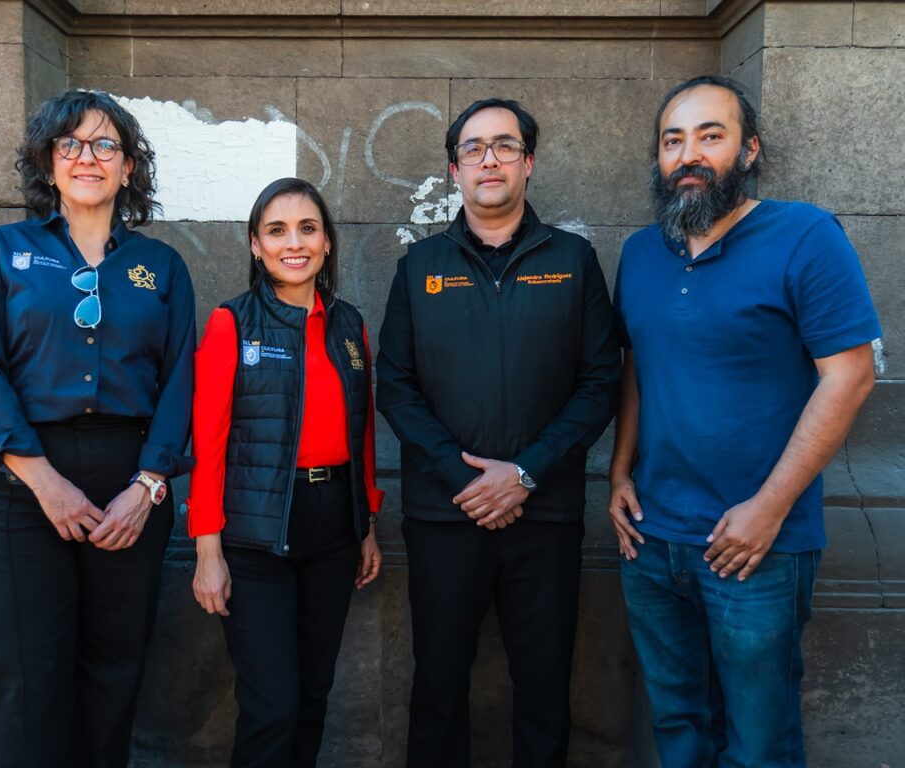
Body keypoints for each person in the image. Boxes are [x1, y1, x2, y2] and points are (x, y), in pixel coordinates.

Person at [609, 75, 881, 768]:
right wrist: (617, 472)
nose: (690, 153)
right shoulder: (642, 252)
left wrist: (769, 506)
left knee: (760, 745)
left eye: (711, 135)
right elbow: (639, 364)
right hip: (652, 541)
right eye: (674, 140)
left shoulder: (805, 235)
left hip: (756, 546)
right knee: (678, 730)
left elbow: (849, 376)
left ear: (749, 149)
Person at [376, 98, 620, 767]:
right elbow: (394, 385)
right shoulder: (419, 266)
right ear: (454, 170)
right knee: (438, 691)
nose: (490, 159)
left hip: (545, 519)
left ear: (529, 163)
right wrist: (466, 478)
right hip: (442, 516)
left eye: (505, 146)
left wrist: (525, 473)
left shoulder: (573, 261)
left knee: (544, 694)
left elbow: (601, 382)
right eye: (474, 148)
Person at [0, 89, 196, 766]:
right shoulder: (3, 252)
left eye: (104, 145)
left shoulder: (163, 268)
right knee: (21, 673)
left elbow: (182, 383)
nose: (86, 157)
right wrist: (42, 482)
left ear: (128, 168)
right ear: (49, 161)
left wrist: (148, 486)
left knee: (113, 669)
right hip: (25, 480)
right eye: (71, 144)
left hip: (131, 480)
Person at [188, 177, 384, 768]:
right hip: (255, 536)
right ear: (255, 245)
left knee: (311, 697)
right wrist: (207, 550)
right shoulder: (232, 323)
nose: (292, 243)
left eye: (307, 228)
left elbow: (364, 431)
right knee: (271, 706)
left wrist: (367, 520)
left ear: (327, 243)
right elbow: (209, 440)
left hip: (333, 532)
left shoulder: (350, 326)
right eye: (276, 231)